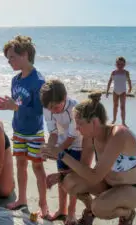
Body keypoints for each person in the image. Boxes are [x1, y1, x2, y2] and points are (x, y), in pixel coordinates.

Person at [41, 92, 136, 225]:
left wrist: (62, 154)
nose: (77, 129)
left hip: (133, 189)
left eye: (79, 124)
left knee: (99, 207)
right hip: (108, 185)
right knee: (69, 182)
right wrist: (61, 176)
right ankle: (89, 210)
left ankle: (127, 214)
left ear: (95, 122)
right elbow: (84, 170)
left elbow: (94, 177)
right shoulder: (90, 137)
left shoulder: (119, 135)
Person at [0, 35, 50, 218]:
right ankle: (22, 199)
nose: (9, 62)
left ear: (25, 54)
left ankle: (43, 204)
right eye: (8, 58)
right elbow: (17, 103)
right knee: (20, 165)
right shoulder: (15, 80)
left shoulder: (39, 81)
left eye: (12, 57)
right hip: (18, 129)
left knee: (37, 168)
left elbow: (39, 111)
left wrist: (16, 106)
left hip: (34, 132)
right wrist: (9, 105)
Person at [40, 79, 90, 225]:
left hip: (78, 144)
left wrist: (56, 151)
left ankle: (72, 213)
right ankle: (62, 210)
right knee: (62, 178)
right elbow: (53, 133)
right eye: (50, 109)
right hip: (61, 141)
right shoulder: (47, 108)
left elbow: (71, 136)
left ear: (65, 97)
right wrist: (48, 149)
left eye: (56, 107)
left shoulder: (76, 108)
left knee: (71, 181)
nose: (53, 111)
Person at [106, 56, 132, 126]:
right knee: (115, 106)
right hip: (115, 92)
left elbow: (129, 81)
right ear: (116, 64)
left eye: (122, 64)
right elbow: (109, 81)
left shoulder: (126, 72)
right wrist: (107, 91)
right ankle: (114, 119)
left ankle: (123, 122)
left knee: (122, 107)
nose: (120, 66)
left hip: (123, 92)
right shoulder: (114, 72)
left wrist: (130, 87)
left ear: (124, 64)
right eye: (118, 64)